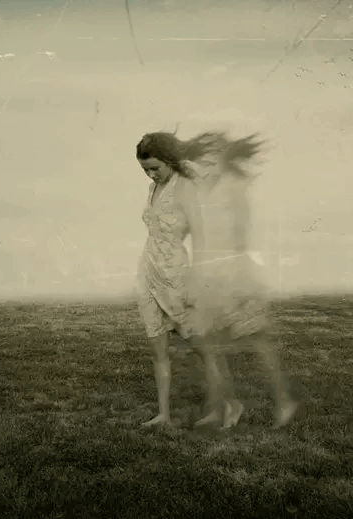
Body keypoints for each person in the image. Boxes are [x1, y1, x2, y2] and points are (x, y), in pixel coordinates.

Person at [188, 132, 298, 430]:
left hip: (234, 274)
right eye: (203, 158)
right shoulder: (199, 189)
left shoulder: (235, 185)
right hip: (206, 275)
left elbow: (239, 238)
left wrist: (234, 283)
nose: (207, 163)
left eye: (214, 156)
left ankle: (284, 402)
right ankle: (222, 407)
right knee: (208, 345)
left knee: (258, 340)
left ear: (224, 157)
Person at [135, 130, 225, 428]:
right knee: (157, 349)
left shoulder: (184, 187)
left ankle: (222, 407)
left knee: (201, 346)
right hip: (148, 273)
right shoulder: (153, 188)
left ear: (169, 161)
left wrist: (198, 280)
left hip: (176, 276)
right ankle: (164, 415)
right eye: (145, 170)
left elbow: (200, 236)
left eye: (155, 168)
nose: (151, 175)